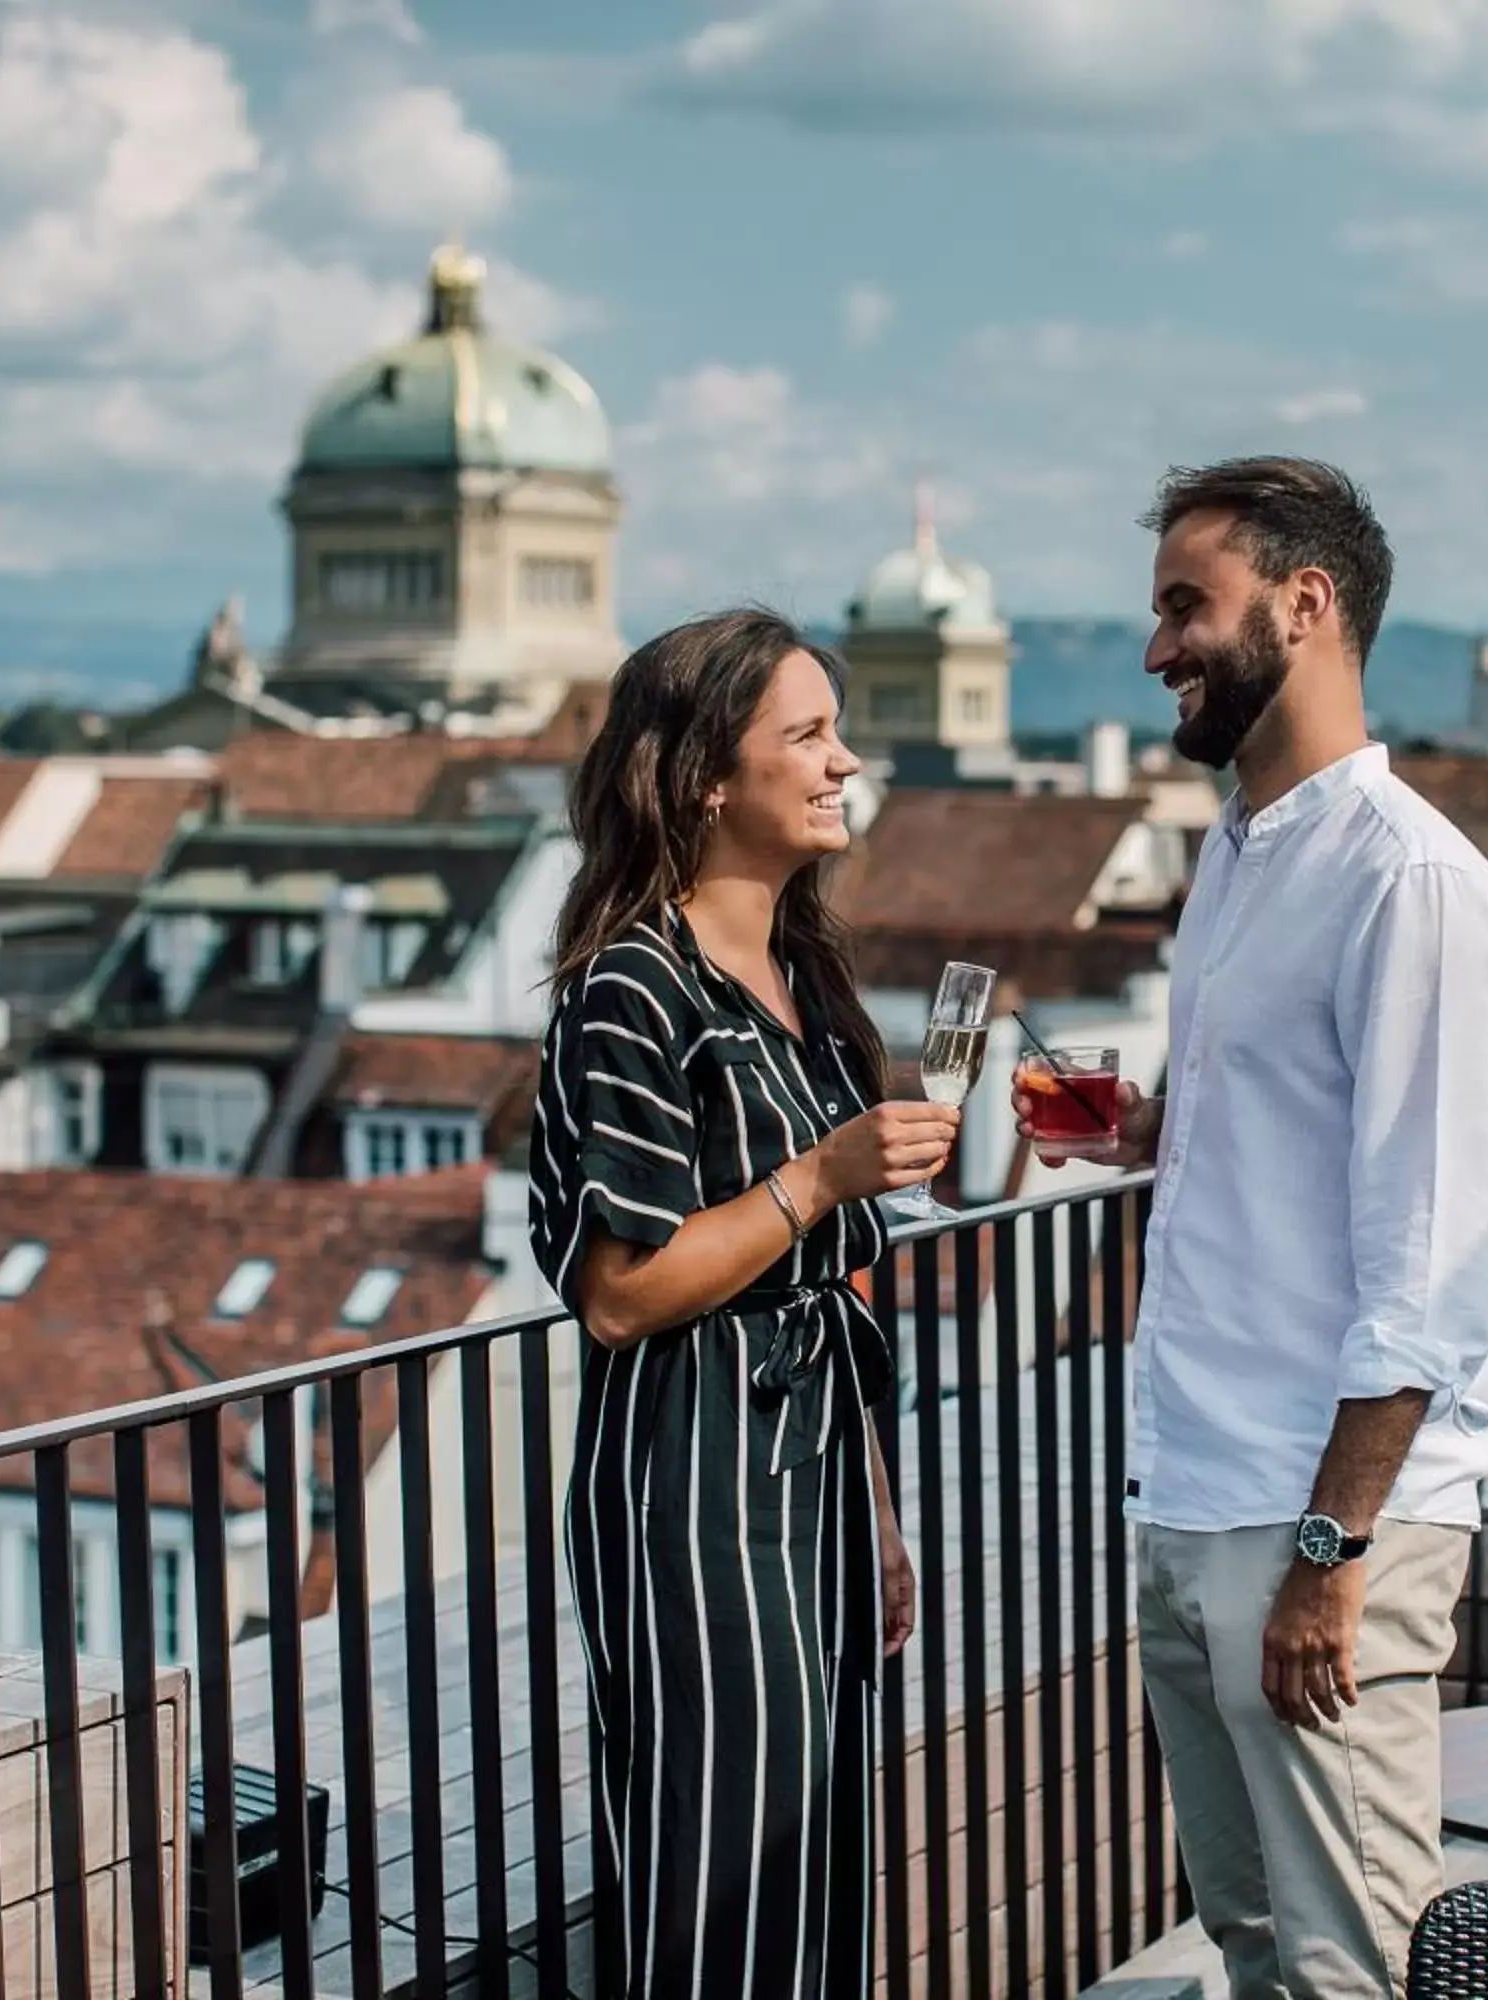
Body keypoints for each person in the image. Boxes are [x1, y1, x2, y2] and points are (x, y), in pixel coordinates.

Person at [1027, 458, 1488, 1996]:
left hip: (1316, 1526)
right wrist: (1115, 1125)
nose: (1157, 646)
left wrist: (1331, 1551)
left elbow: (1426, 1265)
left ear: (1305, 607)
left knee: (1344, 1963)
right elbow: (1254, 1135)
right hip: (1195, 1494)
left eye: (1187, 605)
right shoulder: (1239, 859)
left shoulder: (1415, 883)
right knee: (1250, 1945)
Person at [527, 608, 960, 1998]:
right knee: (722, 1875)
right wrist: (820, 1177)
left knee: (817, 1861)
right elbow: (617, 1290)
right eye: (810, 734)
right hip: (695, 1493)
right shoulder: (632, 995)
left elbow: (835, 1280)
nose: (844, 761)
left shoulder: (808, 981)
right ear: (710, 772)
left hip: (815, 1481)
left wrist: (880, 1513)